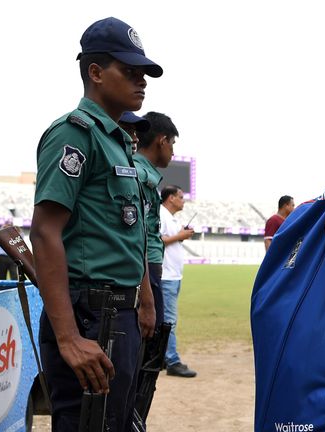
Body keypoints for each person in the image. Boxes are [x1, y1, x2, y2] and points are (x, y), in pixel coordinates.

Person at [30, 17, 160, 431]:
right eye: (130, 71)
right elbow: (45, 232)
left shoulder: (119, 143)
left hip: (117, 315)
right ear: (96, 73)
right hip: (89, 317)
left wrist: (143, 300)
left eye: (144, 73)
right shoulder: (75, 135)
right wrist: (68, 337)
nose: (141, 81)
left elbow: (128, 233)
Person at [133, 111, 180, 328]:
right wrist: (146, 295)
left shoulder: (144, 172)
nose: (172, 151)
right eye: (172, 144)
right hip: (145, 270)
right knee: (149, 342)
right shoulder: (140, 175)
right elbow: (138, 235)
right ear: (161, 141)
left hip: (147, 267)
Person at [159, 185, 197, 377]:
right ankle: (172, 360)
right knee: (169, 321)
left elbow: (170, 239)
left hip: (173, 275)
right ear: (171, 198)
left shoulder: (171, 218)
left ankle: (162, 358)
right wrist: (180, 236)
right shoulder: (161, 214)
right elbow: (157, 239)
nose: (183, 200)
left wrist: (180, 235)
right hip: (167, 276)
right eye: (181, 197)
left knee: (165, 320)